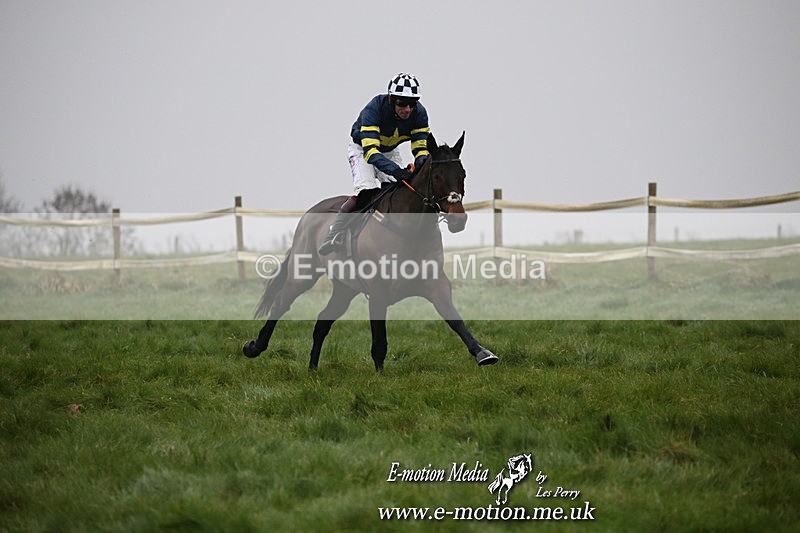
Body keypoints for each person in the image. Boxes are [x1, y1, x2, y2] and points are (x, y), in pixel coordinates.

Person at [318, 73, 430, 255]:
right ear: (391, 99)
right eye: (402, 103)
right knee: (367, 192)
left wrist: (420, 165)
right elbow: (371, 153)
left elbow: (420, 147)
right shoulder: (375, 108)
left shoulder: (420, 113)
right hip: (363, 149)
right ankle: (334, 233)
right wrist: (396, 171)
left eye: (412, 103)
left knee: (398, 190)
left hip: (389, 150)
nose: (408, 109)